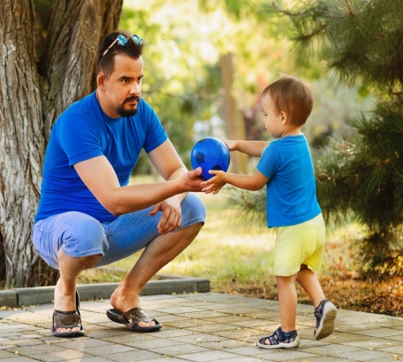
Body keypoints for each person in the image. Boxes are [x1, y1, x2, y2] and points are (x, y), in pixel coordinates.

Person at [32, 30, 206, 338]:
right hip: (60, 232)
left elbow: (176, 169)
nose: (135, 88)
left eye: (139, 79)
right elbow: (112, 198)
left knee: (192, 207)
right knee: (86, 230)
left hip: (111, 229)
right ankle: (66, 290)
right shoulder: (78, 122)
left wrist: (177, 197)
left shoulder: (142, 113)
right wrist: (177, 187)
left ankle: (127, 294)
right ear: (102, 82)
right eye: (125, 80)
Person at [202, 75, 337, 348]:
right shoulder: (298, 143)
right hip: (314, 223)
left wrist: (225, 177)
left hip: (294, 228)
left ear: (283, 117)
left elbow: (254, 182)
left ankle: (287, 333)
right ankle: (322, 304)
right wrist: (238, 144)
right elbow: (267, 149)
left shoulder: (277, 151)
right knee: (301, 269)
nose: (263, 121)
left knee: (284, 279)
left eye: (266, 115)